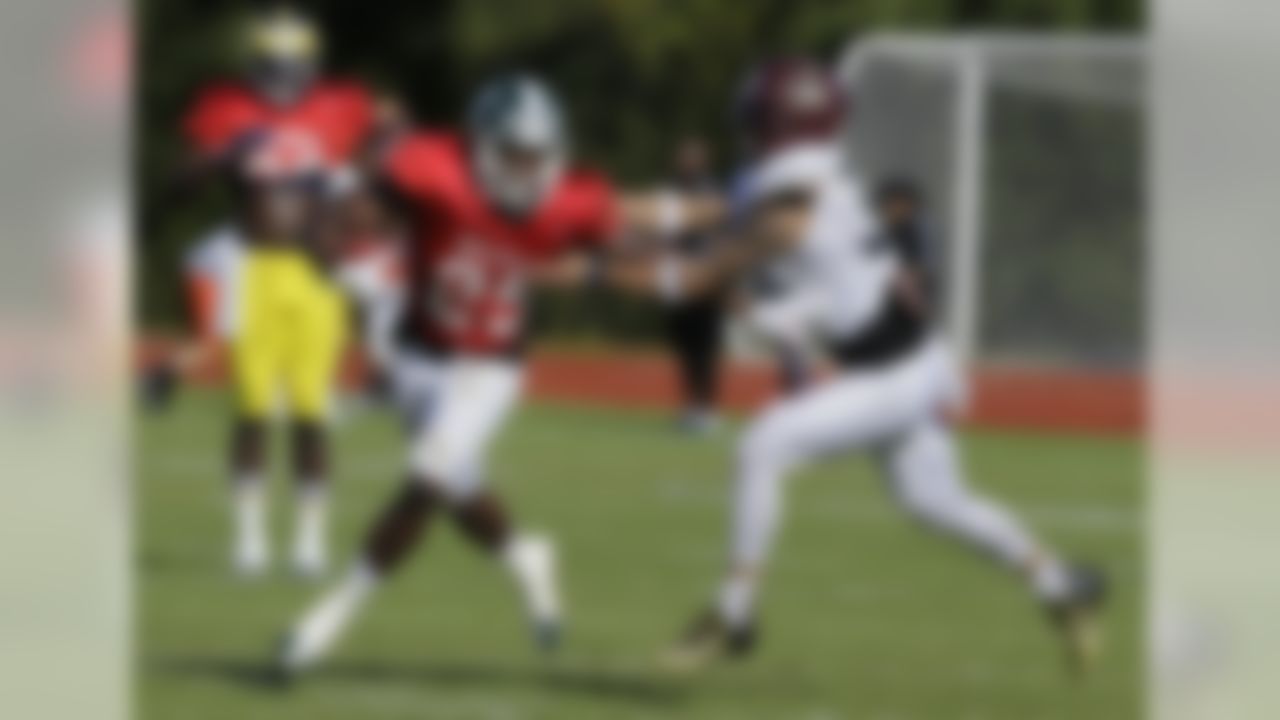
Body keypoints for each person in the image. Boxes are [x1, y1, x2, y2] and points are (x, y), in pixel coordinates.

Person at [617, 57, 1108, 675]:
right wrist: (589, 208)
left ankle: (733, 612)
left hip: (890, 375)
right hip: (913, 359)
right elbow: (687, 214)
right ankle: (1061, 584)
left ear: (769, 124)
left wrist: (596, 268)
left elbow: (695, 273)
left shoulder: (786, 206)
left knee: (764, 446)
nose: (745, 130)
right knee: (935, 501)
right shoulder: (799, 181)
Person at [277, 72, 622, 676]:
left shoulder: (576, 197)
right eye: (513, 152)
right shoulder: (434, 167)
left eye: (538, 154)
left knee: (426, 478)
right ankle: (526, 559)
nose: (526, 167)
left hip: (491, 367)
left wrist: (593, 268)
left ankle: (325, 621)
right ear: (484, 144)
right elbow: (348, 219)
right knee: (459, 491)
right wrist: (332, 249)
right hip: (419, 355)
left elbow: (611, 242)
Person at [162, 7, 377, 578]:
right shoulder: (226, 106)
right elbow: (179, 183)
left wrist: (352, 202)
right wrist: (217, 156)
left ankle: (309, 540)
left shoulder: (342, 103)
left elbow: (387, 152)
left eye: (292, 63)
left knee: (312, 412)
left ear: (312, 64)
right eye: (272, 63)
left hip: (317, 274)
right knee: (252, 408)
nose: (282, 74)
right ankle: (250, 539)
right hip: (253, 266)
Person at [658, 137, 726, 433]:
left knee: (706, 344)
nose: (686, 164)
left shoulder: (710, 192)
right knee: (685, 344)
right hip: (678, 276)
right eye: (683, 158)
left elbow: (719, 235)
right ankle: (690, 405)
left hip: (706, 276)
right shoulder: (672, 192)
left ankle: (707, 407)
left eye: (691, 158)